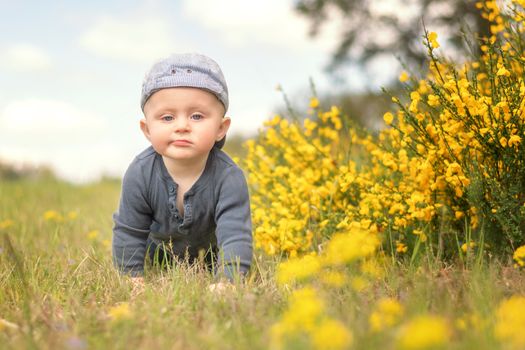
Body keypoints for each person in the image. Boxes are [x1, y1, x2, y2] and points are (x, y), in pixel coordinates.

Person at [112, 53, 253, 292]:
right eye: (167, 117)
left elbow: (235, 235)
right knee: (142, 247)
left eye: (197, 116)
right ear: (147, 130)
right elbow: (129, 230)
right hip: (159, 255)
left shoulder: (229, 177)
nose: (182, 126)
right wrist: (131, 278)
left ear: (220, 128)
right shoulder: (140, 173)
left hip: (210, 258)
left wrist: (229, 281)